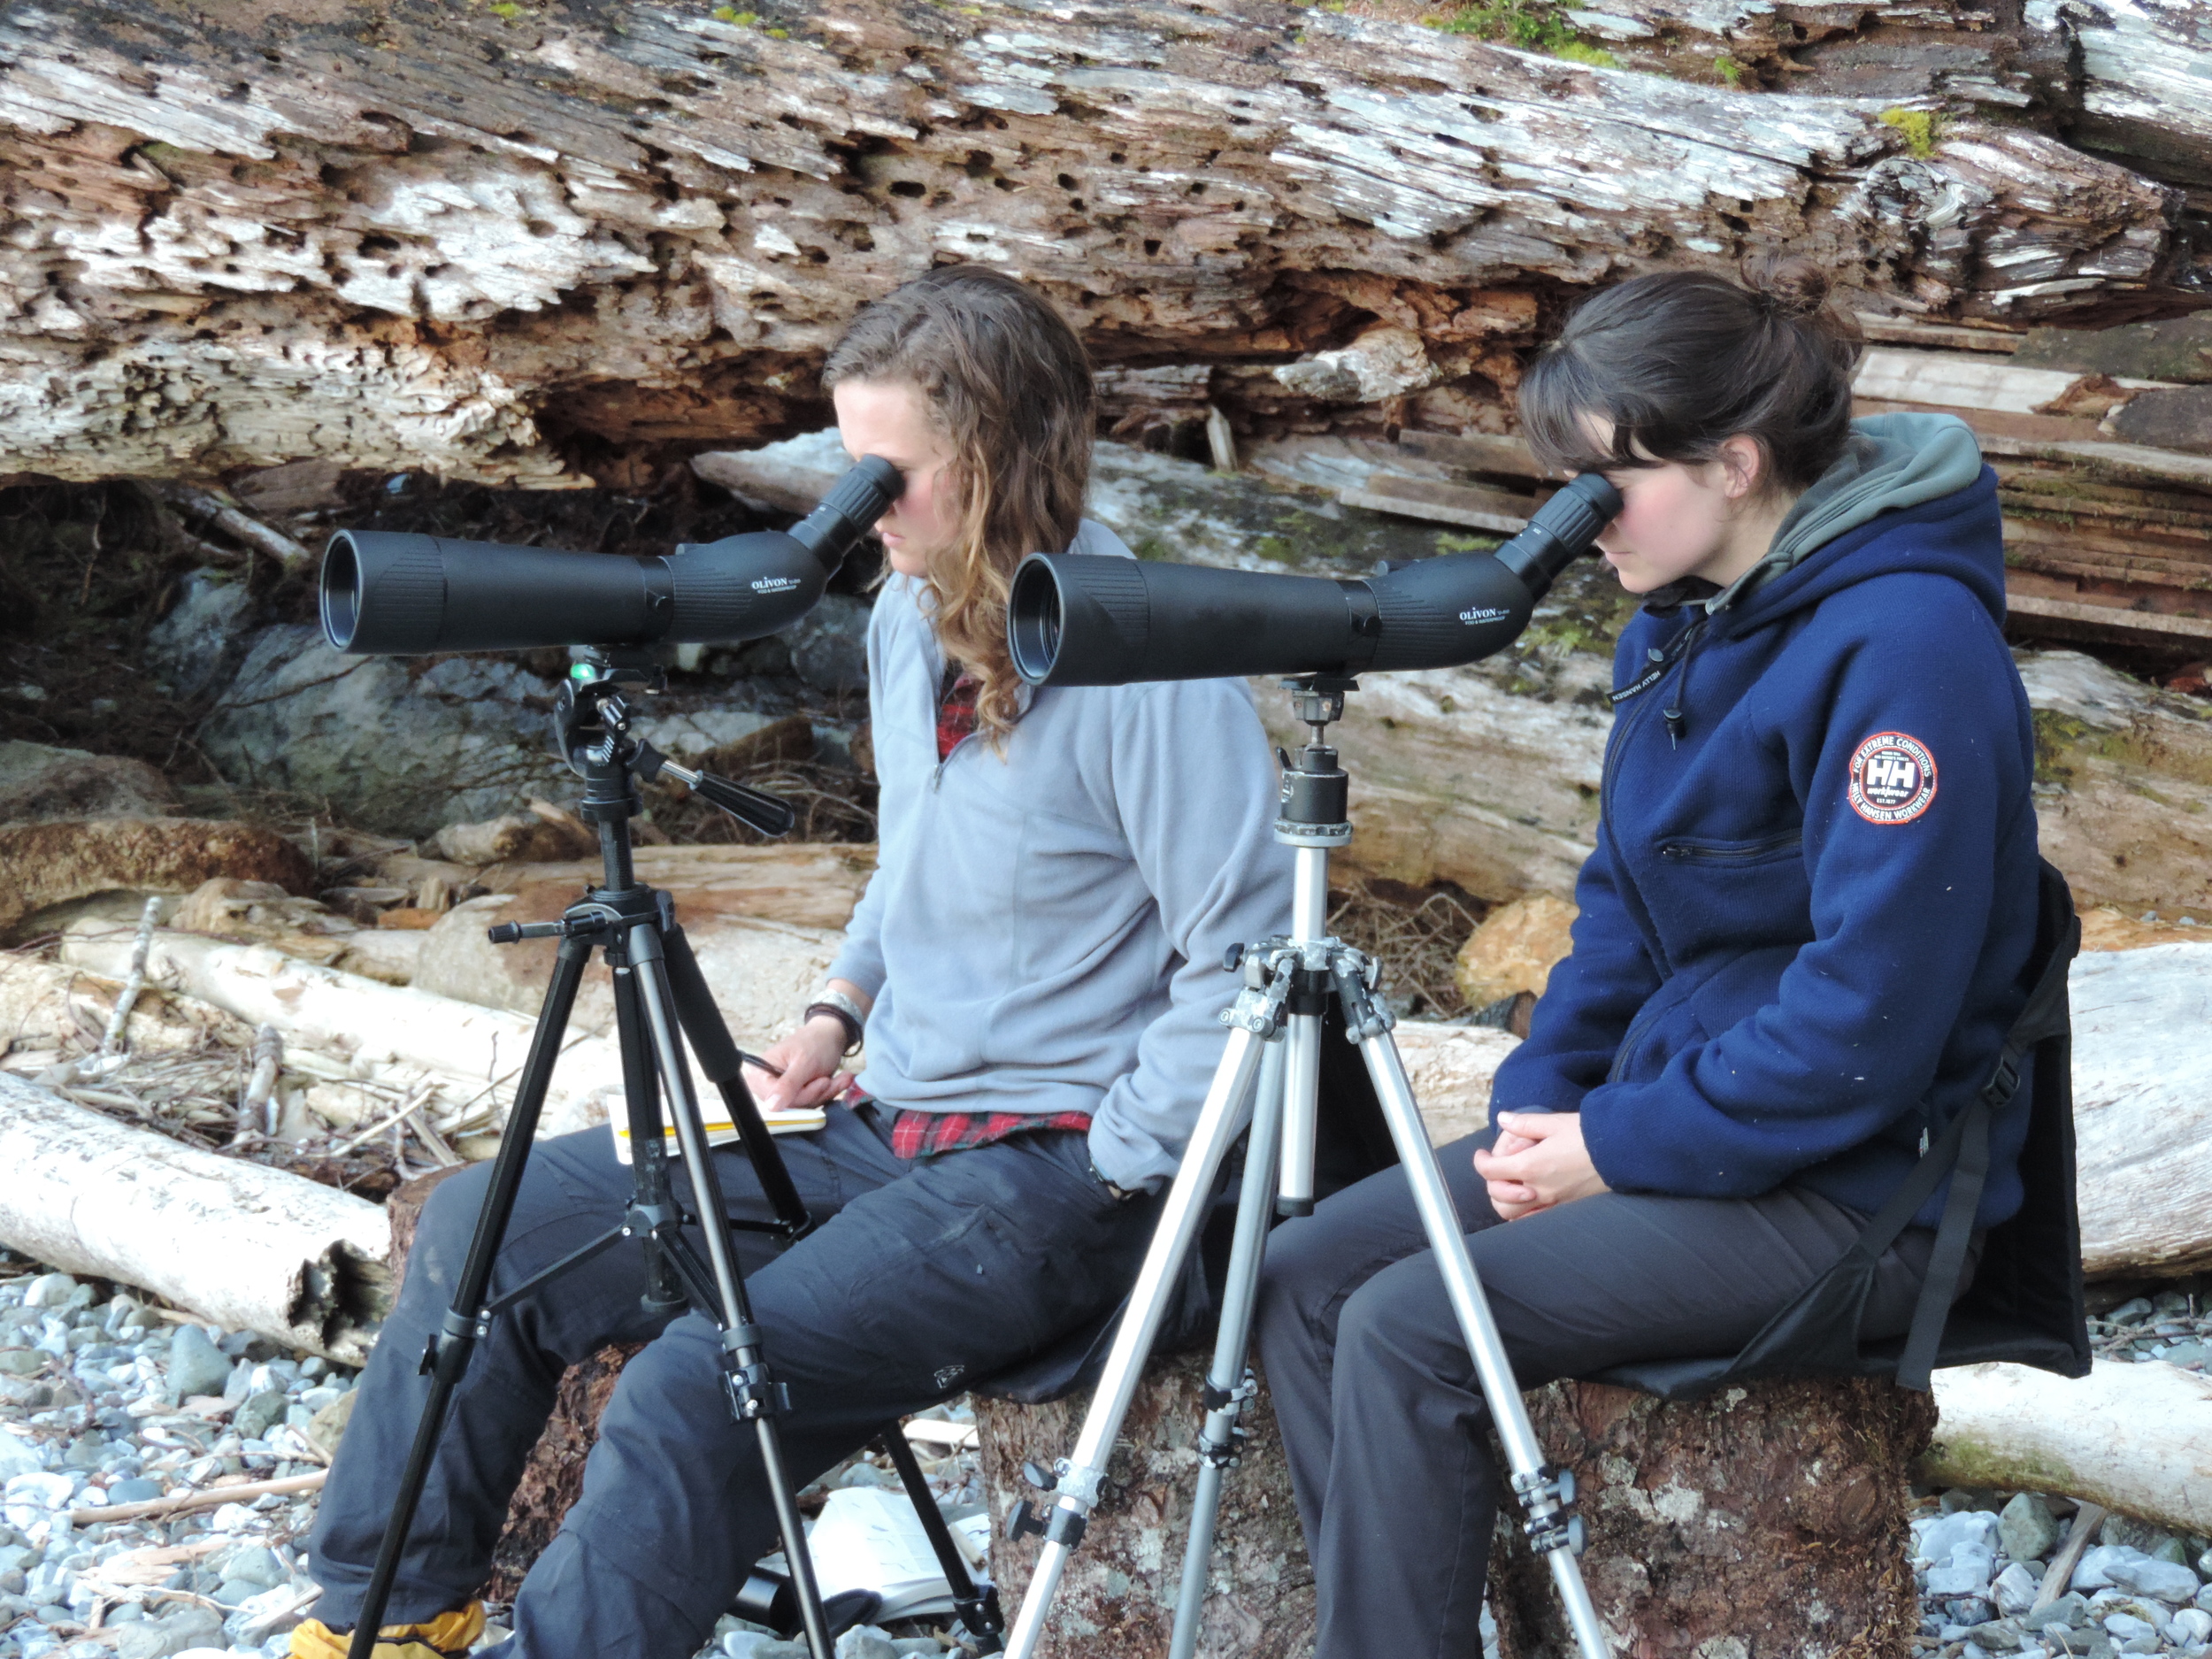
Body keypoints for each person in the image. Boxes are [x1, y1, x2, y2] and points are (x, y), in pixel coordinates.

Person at [295, 265, 1292, 1659]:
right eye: (846, 462)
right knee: (485, 1227)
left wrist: (1122, 1156)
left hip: (1057, 1170)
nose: (856, 506)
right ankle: (382, 1624)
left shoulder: (1149, 665)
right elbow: (911, 857)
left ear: (1001, 456)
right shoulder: (908, 618)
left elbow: (1253, 955)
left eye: (891, 469)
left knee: (704, 1388)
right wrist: (839, 1005)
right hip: (892, 1126)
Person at [1251, 260, 2045, 1658]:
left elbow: (1867, 1024)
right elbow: (1620, 910)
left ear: (1733, 463)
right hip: (1694, 1130)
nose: (1576, 519)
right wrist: (1533, 1110)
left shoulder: (1910, 649)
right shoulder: (1681, 626)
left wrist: (1611, 1146)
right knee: (1313, 1273)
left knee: (1407, 1324)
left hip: (1857, 1186)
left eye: (1601, 480)